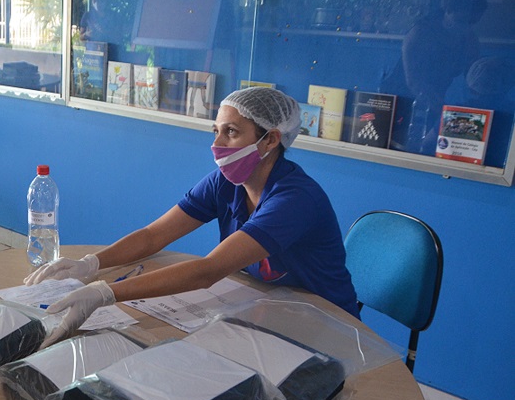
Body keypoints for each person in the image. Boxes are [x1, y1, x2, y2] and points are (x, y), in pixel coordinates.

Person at [25, 86, 358, 346]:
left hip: (326, 325)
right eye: (215, 130)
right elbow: (154, 236)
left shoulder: (296, 199)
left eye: (231, 132)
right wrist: (90, 264)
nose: (217, 144)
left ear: (270, 139)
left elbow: (208, 271)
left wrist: (105, 293)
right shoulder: (227, 183)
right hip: (268, 309)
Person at [381, 0, 488, 154]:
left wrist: (472, 106)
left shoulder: (469, 39)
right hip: (402, 98)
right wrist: (445, 113)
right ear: (448, 10)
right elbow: (413, 81)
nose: (465, 26)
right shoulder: (420, 33)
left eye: (472, 22)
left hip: (435, 101)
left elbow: (475, 78)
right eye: (461, 20)